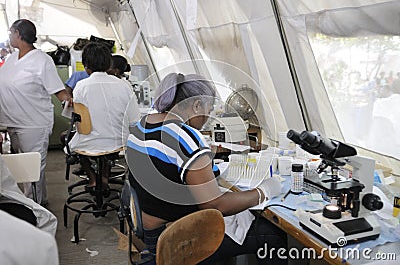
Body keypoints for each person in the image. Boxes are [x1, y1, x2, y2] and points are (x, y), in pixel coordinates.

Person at [126, 73, 287, 264]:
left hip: (145, 229)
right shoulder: (185, 137)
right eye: (208, 110)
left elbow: (165, 169)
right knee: (271, 235)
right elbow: (215, 206)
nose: (207, 118)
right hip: (172, 239)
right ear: (196, 106)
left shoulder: (143, 125)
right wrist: (264, 192)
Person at [0, 19, 71, 206]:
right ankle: (38, 201)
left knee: (33, 171)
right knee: (24, 170)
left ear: (18, 34)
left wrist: (72, 104)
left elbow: (57, 90)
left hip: (33, 124)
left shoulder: (42, 60)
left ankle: (36, 210)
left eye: (10, 32)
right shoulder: (10, 59)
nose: (9, 36)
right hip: (12, 122)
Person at [68, 42, 139, 194]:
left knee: (75, 144)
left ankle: (92, 178)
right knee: (108, 144)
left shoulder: (81, 86)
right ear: (109, 63)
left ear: (86, 65)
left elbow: (80, 122)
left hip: (88, 144)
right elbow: (134, 120)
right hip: (119, 144)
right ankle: (105, 178)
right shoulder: (124, 85)